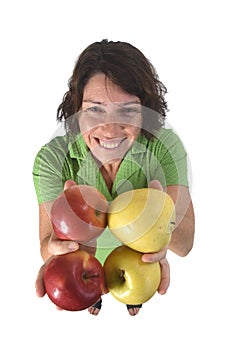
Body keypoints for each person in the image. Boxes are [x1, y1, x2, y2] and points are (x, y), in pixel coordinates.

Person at [33, 39, 195, 316]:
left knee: (135, 285)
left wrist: (160, 226)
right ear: (76, 109)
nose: (110, 130)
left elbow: (185, 243)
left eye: (128, 111)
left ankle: (129, 296)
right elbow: (49, 245)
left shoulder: (163, 146)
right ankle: (96, 294)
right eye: (95, 109)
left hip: (136, 262)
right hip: (86, 266)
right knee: (92, 287)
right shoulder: (52, 159)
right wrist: (60, 260)